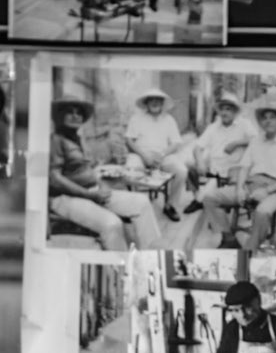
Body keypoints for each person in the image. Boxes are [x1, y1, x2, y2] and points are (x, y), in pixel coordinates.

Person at [49, 95, 161, 252]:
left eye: (79, 113)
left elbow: (87, 169)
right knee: (112, 224)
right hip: (65, 199)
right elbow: (55, 179)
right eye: (70, 112)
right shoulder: (56, 140)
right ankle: (120, 265)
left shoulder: (77, 139)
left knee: (142, 203)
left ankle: (149, 253)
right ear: (60, 116)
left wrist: (100, 185)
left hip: (91, 192)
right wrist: (89, 196)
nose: (76, 116)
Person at [204, 97, 276, 254]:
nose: (268, 121)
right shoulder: (256, 141)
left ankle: (249, 251)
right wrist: (240, 188)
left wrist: (267, 190)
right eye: (265, 118)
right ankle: (229, 239)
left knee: (263, 211)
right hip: (251, 185)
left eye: (273, 117)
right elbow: (244, 167)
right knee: (210, 197)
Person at [124, 87, 192, 219]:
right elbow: (129, 140)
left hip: (163, 155)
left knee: (182, 171)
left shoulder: (169, 119)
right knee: (130, 168)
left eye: (158, 100)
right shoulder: (136, 118)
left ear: (162, 103)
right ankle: (134, 207)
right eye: (151, 100)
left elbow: (176, 142)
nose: (155, 103)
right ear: (146, 103)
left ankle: (170, 205)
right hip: (141, 154)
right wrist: (145, 156)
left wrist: (161, 155)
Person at [190, 91, 250, 210]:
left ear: (234, 111)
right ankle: (197, 196)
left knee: (210, 196)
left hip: (233, 169)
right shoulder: (213, 127)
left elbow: (256, 141)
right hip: (215, 169)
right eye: (222, 109)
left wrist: (236, 143)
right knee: (190, 165)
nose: (224, 112)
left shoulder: (244, 124)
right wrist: (200, 162)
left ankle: (203, 200)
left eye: (228, 109)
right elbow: (197, 147)